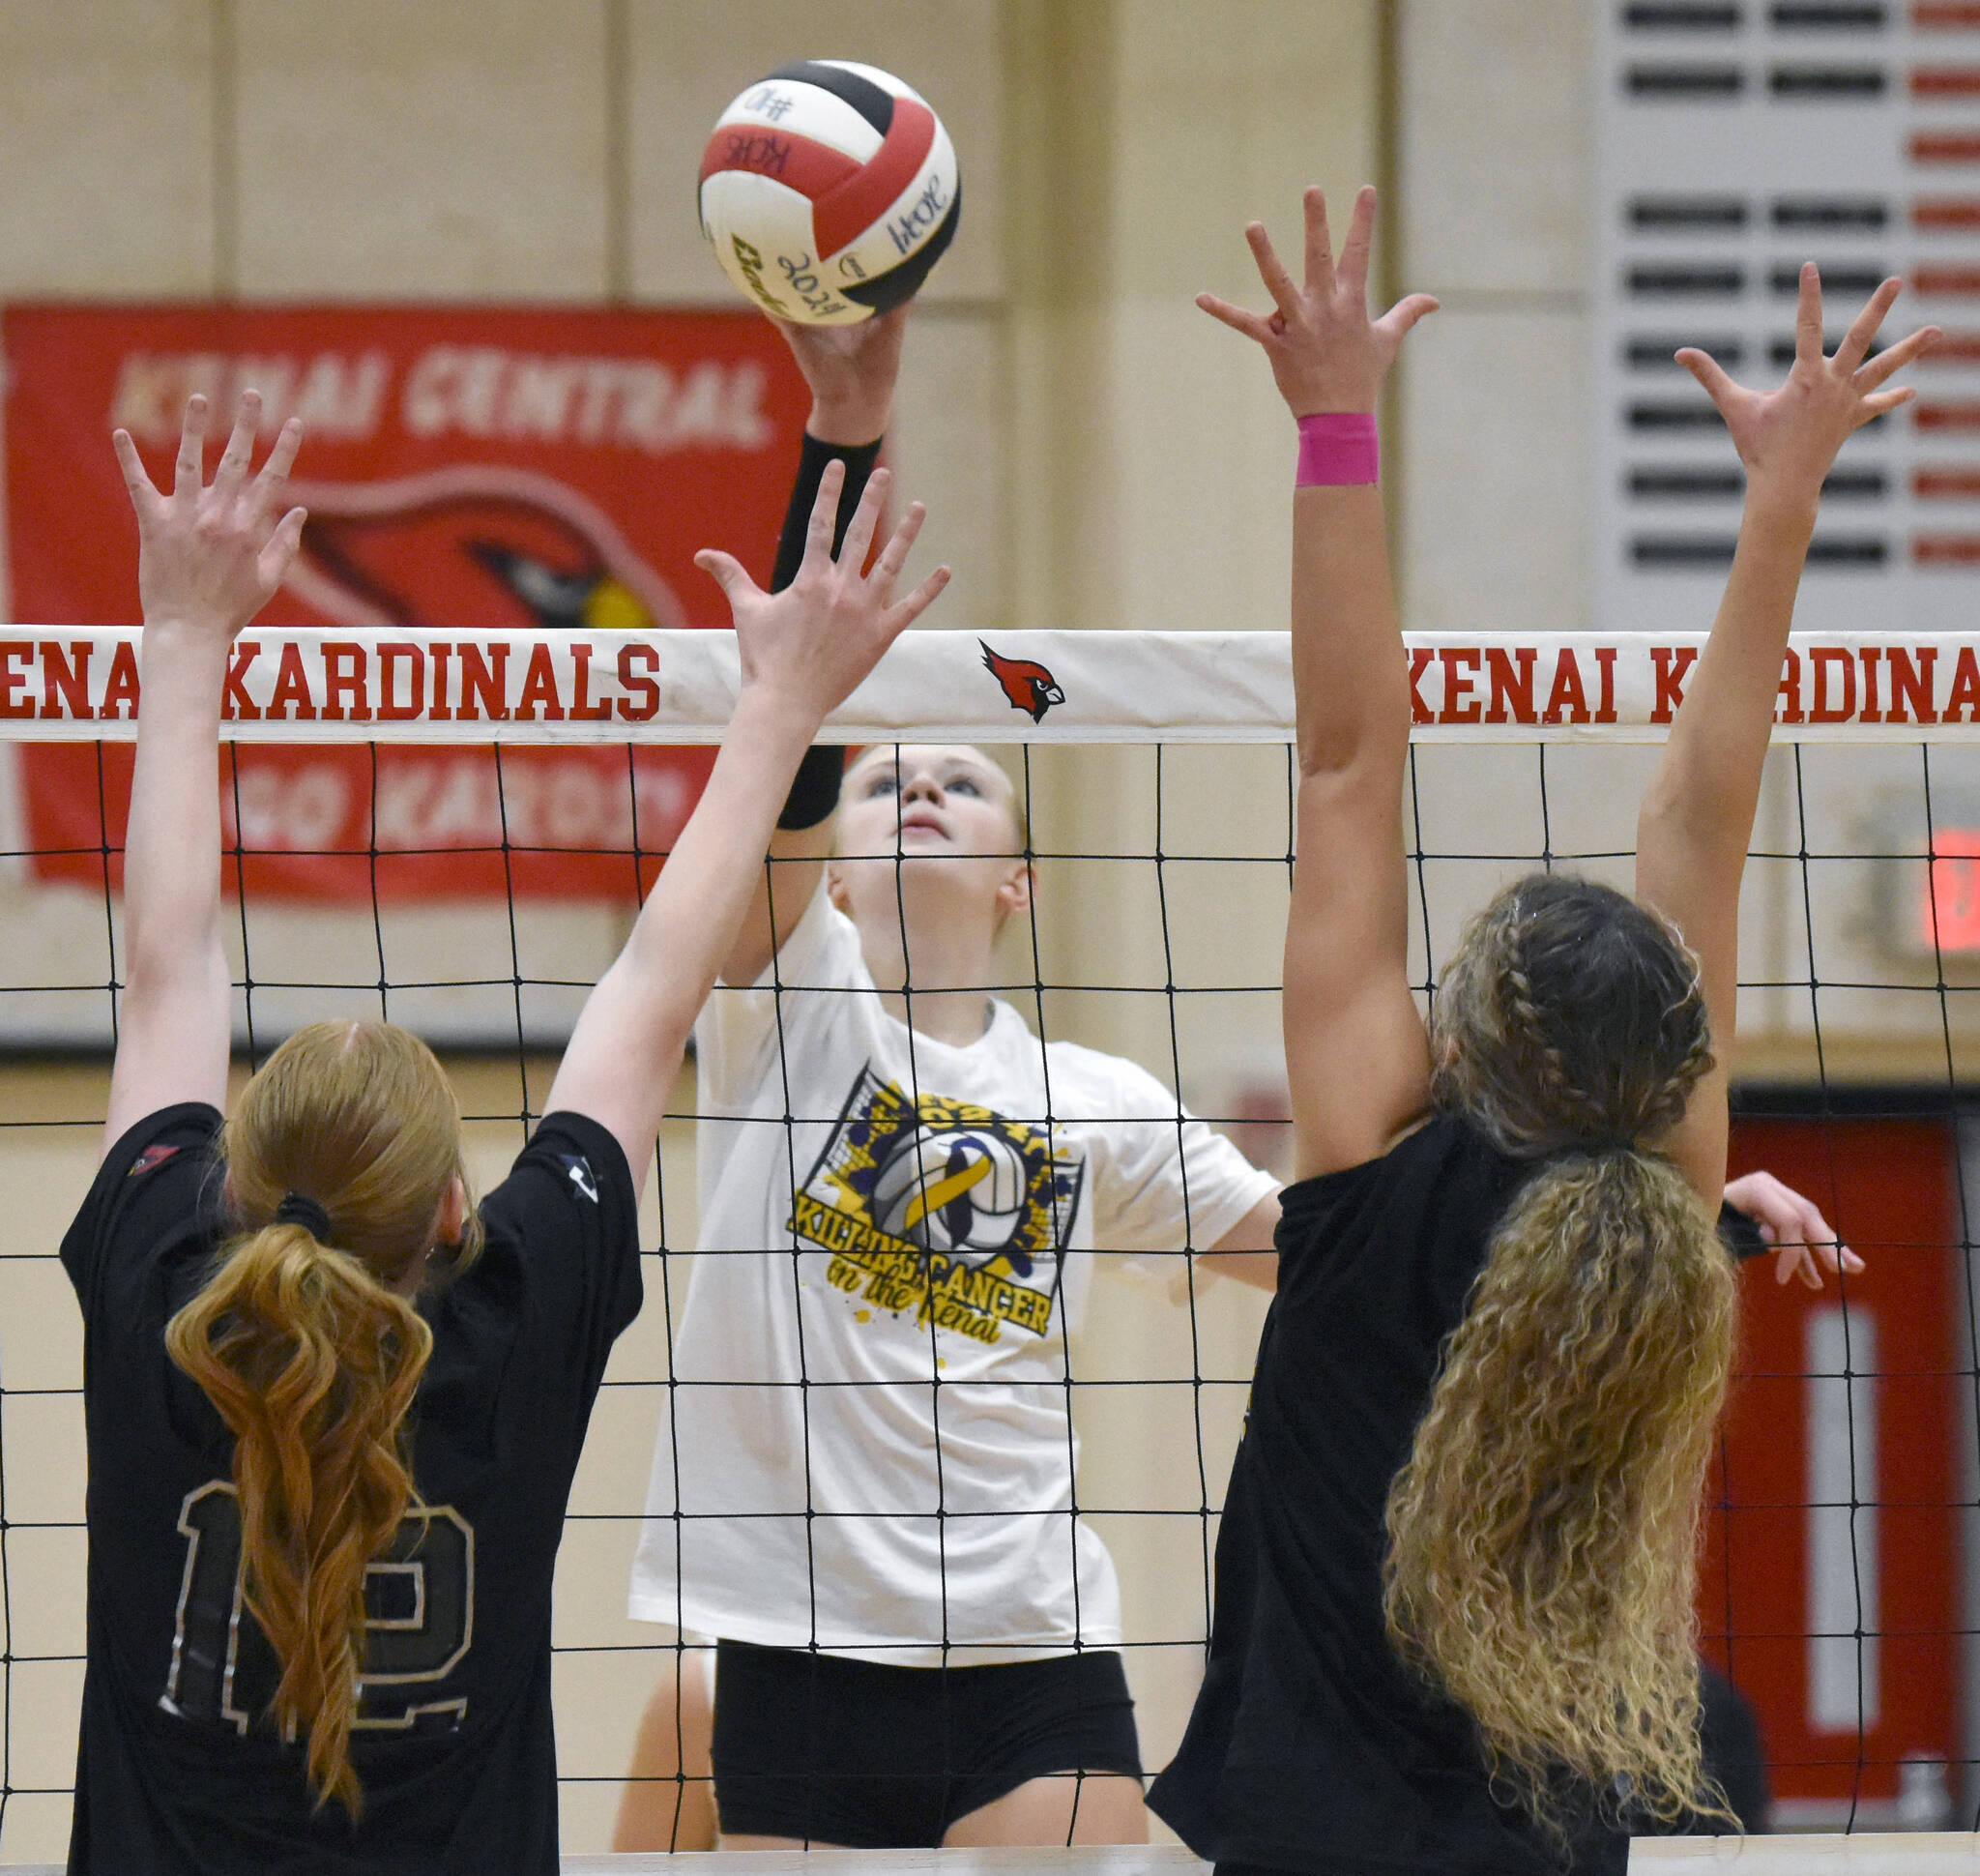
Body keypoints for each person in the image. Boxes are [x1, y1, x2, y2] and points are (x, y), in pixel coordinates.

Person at [62, 388, 947, 1872]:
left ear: (225, 1194)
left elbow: (165, 965)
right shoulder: (510, 1329)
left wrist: (183, 633)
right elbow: (656, 989)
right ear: (459, 1220)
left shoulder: (160, 1301)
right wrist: (784, 706)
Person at [1147, 186, 1920, 1876]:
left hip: (1303, 1841)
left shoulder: (1362, 1177)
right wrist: (1783, 506)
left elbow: (1351, 757)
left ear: (1466, 1038)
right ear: (1665, 1074)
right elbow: (1704, 823)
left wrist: (1335, 425)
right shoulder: (1666, 1207)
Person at [616, 308, 1285, 1854]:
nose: (919, 780)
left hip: (1033, 1653)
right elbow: (781, 748)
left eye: (967, 777)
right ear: (831, 873)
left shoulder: (1097, 1099)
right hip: (795, 1644)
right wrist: (846, 424)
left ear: (1019, 885)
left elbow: (1334, 1254)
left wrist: (1609, 1207)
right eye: (883, 780)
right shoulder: (789, 1004)